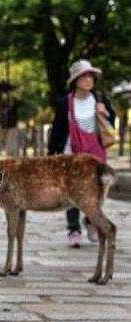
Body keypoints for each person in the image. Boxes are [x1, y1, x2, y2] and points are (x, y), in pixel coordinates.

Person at [49, 59, 116, 248]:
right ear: (75, 80)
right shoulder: (65, 103)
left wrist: (105, 113)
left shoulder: (100, 99)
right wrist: (53, 153)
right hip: (72, 153)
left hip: (96, 152)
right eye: (84, 76)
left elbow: (112, 121)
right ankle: (73, 229)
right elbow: (57, 130)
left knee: (95, 191)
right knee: (71, 192)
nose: (88, 79)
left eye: (90, 76)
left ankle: (91, 221)